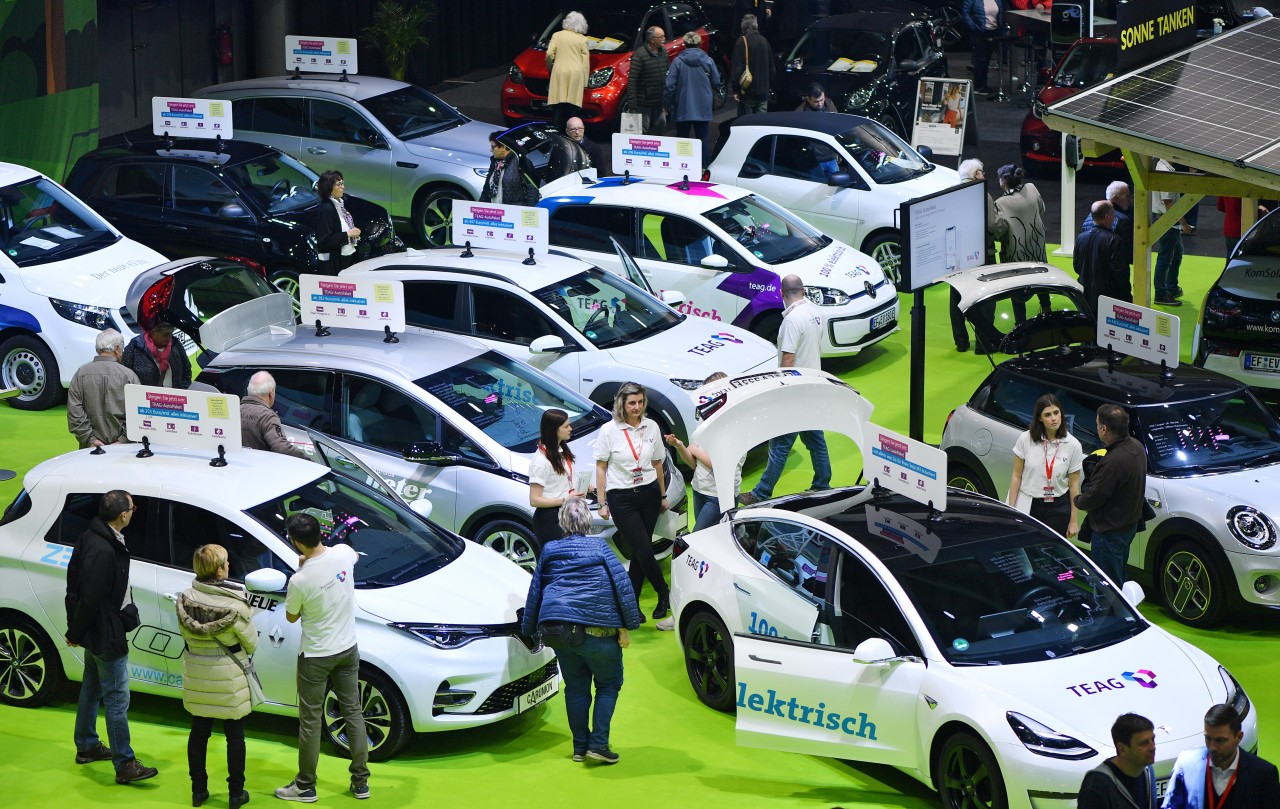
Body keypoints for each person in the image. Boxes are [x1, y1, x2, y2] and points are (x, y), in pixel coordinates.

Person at [521, 496, 642, 764]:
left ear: (562, 522)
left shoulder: (550, 550)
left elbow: (535, 591)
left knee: (575, 689)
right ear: (588, 521)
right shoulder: (600, 548)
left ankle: (579, 748)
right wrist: (627, 627)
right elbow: (622, 587)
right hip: (599, 632)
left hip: (561, 633)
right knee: (609, 685)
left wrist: (529, 629)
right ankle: (598, 744)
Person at [65, 489, 159, 785]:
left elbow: (74, 585)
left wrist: (78, 630)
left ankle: (87, 745)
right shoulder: (104, 548)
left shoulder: (92, 536)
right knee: (117, 700)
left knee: (91, 689)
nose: (134, 510)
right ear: (123, 514)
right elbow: (90, 597)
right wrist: (75, 632)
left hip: (97, 631)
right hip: (106, 633)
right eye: (133, 507)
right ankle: (125, 763)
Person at [275, 513, 370, 802]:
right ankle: (361, 782)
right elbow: (352, 554)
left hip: (315, 655)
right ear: (321, 533)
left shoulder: (300, 580)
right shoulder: (342, 554)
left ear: (295, 542)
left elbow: (291, 616)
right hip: (347, 649)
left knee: (311, 721)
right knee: (353, 712)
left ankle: (305, 785)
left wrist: (304, 568)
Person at [176, 544, 258, 809]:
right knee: (235, 736)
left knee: (199, 733)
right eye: (225, 562)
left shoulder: (185, 599)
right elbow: (251, 644)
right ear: (219, 569)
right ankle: (236, 794)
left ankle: (198, 790)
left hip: (197, 673)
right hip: (228, 677)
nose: (228, 566)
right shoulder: (235, 604)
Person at [740, 275, 830, 504]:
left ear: (781, 294)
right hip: (812, 387)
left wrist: (780, 389)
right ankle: (822, 482)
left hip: (794, 392)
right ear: (804, 291)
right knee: (815, 439)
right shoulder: (814, 312)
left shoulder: (791, 320)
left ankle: (761, 493)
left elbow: (788, 358)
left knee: (779, 444)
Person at [594, 382, 670, 624]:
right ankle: (664, 592)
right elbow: (601, 466)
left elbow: (657, 462)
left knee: (640, 550)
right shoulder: (609, 430)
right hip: (621, 498)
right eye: (631, 403)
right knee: (643, 549)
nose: (636, 407)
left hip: (648, 493)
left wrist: (663, 495)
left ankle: (633, 605)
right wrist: (602, 502)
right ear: (622, 404)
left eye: (640, 402)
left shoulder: (652, 427)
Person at [1074, 404, 1146, 586]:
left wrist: (1077, 499)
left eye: (1098, 425)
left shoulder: (1112, 463)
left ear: (1104, 429)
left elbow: (1092, 498)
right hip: (1127, 527)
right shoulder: (1137, 447)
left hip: (1109, 533)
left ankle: (1112, 614)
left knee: (1108, 585)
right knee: (1119, 574)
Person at [1163, 703, 1280, 808]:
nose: (1212, 747)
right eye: (1208, 738)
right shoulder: (1186, 763)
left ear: (1239, 737)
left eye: (1220, 740)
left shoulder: (1264, 775)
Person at [1006, 393, 1083, 538]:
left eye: (1056, 412)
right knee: (1026, 547)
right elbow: (1016, 476)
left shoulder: (1073, 445)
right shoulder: (1025, 439)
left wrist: (1073, 521)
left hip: (1058, 507)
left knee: (1050, 553)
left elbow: (1074, 485)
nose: (1054, 418)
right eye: (1047, 415)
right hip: (1029, 503)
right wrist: (1011, 509)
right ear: (1040, 418)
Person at [950, 159, 1007, 352]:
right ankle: (983, 343)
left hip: (956, 257)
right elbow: (993, 224)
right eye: (982, 172)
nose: (984, 176)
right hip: (982, 256)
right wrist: (1004, 226)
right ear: (976, 175)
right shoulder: (983, 194)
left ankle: (961, 342)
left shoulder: (951, 193)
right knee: (985, 299)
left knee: (957, 299)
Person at [67, 328, 140, 449]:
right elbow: (137, 412)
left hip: (89, 448)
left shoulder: (81, 374)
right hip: (124, 449)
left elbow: (74, 412)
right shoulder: (129, 376)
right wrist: (123, 439)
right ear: (117, 349)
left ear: (97, 349)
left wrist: (90, 439)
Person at [1078, 713, 1157, 809]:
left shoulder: (1147, 771)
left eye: (1153, 739)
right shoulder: (1097, 785)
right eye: (1143, 743)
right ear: (1122, 749)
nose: (1152, 747)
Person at [664, 32, 719, 169]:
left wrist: (667, 103)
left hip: (683, 105)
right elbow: (717, 81)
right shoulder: (708, 60)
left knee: (682, 137)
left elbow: (669, 85)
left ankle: (682, 165)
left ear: (685, 45)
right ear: (700, 44)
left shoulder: (677, 61)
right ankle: (703, 166)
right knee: (703, 137)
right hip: (703, 105)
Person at [530, 409, 578, 544]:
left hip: (567, 512)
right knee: (560, 561)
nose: (570, 429)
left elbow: (562, 479)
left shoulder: (561, 450)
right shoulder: (541, 461)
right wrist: (564, 499)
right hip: (550, 519)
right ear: (554, 429)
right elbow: (534, 500)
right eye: (566, 426)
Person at [1075, 200, 1131, 316]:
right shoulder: (1115, 240)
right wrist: (1127, 295)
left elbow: (1076, 266)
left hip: (1085, 296)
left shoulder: (1080, 238)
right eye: (1113, 215)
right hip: (1108, 299)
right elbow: (1120, 273)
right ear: (1107, 217)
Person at [240, 371, 306, 459]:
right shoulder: (267, 417)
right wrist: (309, 462)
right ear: (271, 392)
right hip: (260, 469)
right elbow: (281, 447)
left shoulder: (232, 411)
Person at [546, 10, 591, 133]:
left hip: (559, 72)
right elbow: (585, 63)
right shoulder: (582, 39)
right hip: (576, 74)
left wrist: (550, 68)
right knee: (572, 106)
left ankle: (556, 129)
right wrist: (585, 82)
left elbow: (549, 53)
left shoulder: (557, 35)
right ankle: (573, 131)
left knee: (558, 105)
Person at [120, 315, 192, 389]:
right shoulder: (135, 347)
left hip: (174, 397)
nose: (169, 338)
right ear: (153, 331)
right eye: (165, 335)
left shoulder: (175, 344)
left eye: (171, 333)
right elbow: (124, 375)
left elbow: (187, 371)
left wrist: (183, 391)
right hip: (146, 398)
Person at [994, 163, 1047, 264]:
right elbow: (1042, 209)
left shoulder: (1000, 203)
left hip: (1015, 254)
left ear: (1003, 182)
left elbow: (998, 232)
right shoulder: (1031, 188)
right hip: (1037, 246)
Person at [1152, 159, 1187, 306]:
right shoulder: (1165, 171)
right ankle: (1160, 294)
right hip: (1167, 220)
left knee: (1176, 253)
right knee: (1165, 257)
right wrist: (1183, 223)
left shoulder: (1164, 168)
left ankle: (1171, 287)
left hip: (1167, 219)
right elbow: (1169, 203)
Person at [315, 170, 361, 275]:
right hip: (334, 264)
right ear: (329, 187)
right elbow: (324, 241)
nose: (343, 187)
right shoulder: (326, 209)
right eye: (339, 184)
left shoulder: (339, 204)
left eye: (342, 183)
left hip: (346, 257)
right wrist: (348, 234)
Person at [625, 26, 669, 136]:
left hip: (659, 101)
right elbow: (632, 81)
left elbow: (667, 76)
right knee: (641, 132)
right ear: (652, 39)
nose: (664, 38)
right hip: (643, 103)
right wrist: (632, 104)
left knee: (661, 129)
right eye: (661, 36)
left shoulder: (663, 52)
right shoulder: (639, 55)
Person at [1083, 181, 1135, 271]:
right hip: (1111, 276)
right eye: (1126, 196)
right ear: (1115, 198)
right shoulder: (1123, 220)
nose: (1129, 199)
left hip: (1088, 271)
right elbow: (1126, 254)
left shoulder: (1090, 216)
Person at [479, 132, 540, 207]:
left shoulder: (520, 161)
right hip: (495, 212)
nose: (491, 150)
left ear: (503, 147)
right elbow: (486, 190)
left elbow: (532, 189)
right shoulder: (495, 163)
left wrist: (530, 212)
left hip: (513, 212)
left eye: (493, 147)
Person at [731, 14, 772, 116]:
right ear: (756, 26)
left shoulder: (741, 42)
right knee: (761, 123)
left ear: (743, 27)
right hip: (763, 91)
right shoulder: (764, 41)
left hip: (748, 91)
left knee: (746, 123)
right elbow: (772, 68)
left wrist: (735, 90)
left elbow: (737, 69)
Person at [963, 0, 1003, 96]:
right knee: (981, 59)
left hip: (993, 32)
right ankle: (979, 86)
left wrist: (1001, 26)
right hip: (979, 32)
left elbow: (1000, 13)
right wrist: (973, 27)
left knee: (987, 60)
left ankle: (983, 85)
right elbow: (965, 13)